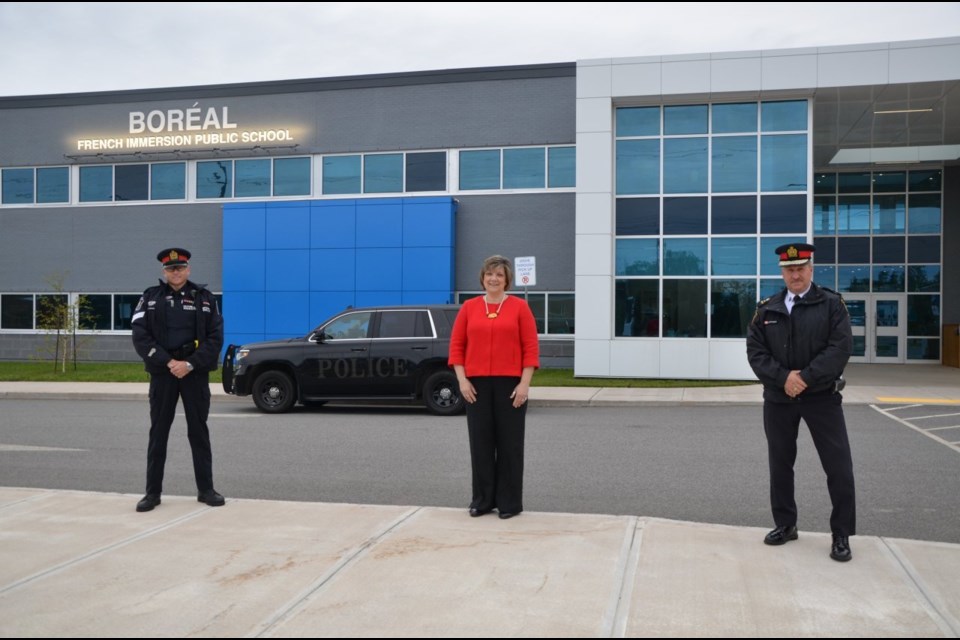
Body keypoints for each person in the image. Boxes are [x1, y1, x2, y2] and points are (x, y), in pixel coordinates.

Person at [746, 243, 856, 562]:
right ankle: (785, 524)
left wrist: (804, 378)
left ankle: (841, 534)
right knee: (780, 464)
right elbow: (756, 353)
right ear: (782, 272)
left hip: (821, 397)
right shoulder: (767, 308)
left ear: (811, 269)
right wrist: (784, 379)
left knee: (838, 466)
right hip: (779, 399)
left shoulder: (831, 304)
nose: (795, 274)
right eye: (789, 269)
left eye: (800, 268)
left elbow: (840, 348)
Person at [131, 248, 225, 512]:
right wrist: (168, 362)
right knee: (158, 433)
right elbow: (140, 335)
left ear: (189, 269)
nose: (176, 272)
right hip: (164, 373)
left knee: (199, 432)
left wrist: (190, 363)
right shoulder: (150, 297)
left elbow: (215, 337)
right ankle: (152, 493)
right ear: (164, 271)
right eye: (171, 269)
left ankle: (206, 490)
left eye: (180, 267)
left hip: (194, 373)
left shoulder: (205, 298)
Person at [449, 255, 540, 520]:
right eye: (490, 274)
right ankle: (483, 500)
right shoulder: (468, 307)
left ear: (507, 280)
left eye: (499, 275)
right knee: (481, 444)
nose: (494, 279)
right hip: (475, 386)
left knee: (510, 445)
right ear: (482, 278)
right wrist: (462, 380)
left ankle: (509, 503)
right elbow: (456, 347)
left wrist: (524, 384)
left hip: (510, 385)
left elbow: (531, 349)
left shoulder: (520, 308)